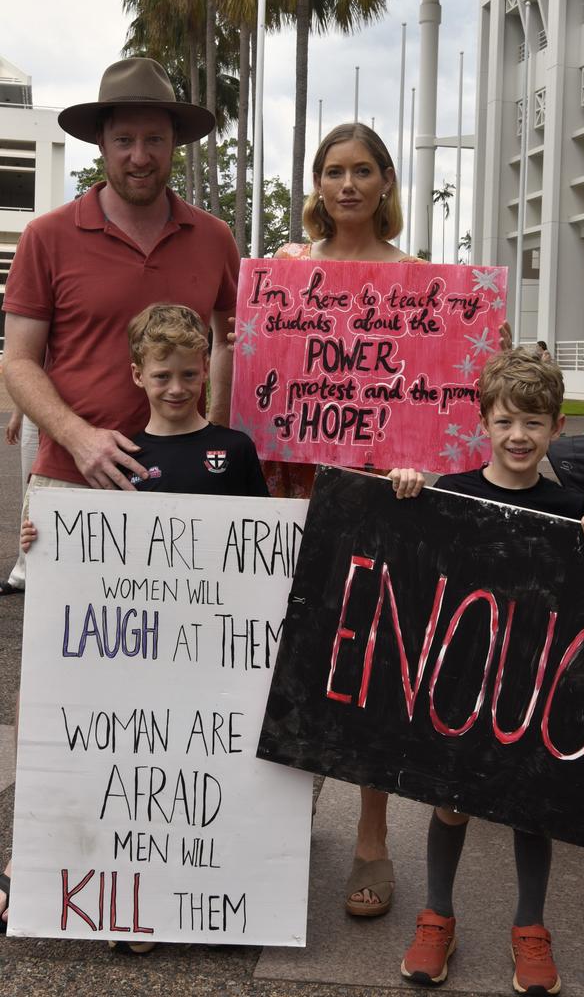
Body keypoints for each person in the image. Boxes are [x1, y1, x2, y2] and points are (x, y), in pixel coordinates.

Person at [0, 56, 240, 929]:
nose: (141, 152)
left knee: (172, 682)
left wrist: (219, 446)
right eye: (125, 136)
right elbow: (18, 361)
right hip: (74, 491)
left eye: (155, 136)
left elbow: (231, 346)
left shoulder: (214, 238)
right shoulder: (48, 236)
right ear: (101, 142)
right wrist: (73, 435)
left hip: (185, 501)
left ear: (176, 142)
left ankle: (167, 849)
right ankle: (44, 842)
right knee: (63, 680)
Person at [17, 303, 269, 951]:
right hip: (140, 658)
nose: (178, 388)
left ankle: (217, 890)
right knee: (143, 780)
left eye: (190, 374)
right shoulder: (120, 455)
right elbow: (97, 556)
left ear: (206, 373)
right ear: (137, 375)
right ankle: (139, 903)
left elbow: (262, 549)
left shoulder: (233, 451)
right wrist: (44, 541)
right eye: (163, 376)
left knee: (206, 776)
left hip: (213, 653)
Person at [400, 349, 584, 995]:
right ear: (484, 425)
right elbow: (414, 565)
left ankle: (530, 927)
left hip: (537, 687)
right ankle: (436, 915)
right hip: (464, 681)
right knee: (449, 803)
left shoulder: (574, 508)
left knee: (534, 808)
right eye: (505, 422)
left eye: (533, 423)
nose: (518, 436)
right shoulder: (452, 493)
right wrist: (406, 496)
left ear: (558, 428)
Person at [268, 122, 426, 917]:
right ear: (318, 184)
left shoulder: (422, 279)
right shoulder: (285, 272)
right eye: (334, 172)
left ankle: (371, 837)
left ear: (387, 180)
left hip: (386, 500)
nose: (349, 185)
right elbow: (261, 387)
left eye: (364, 170)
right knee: (294, 663)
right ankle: (279, 823)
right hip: (298, 493)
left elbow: (445, 402)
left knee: (369, 671)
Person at [1, 406, 38, 595]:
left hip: (82, 405)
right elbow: (28, 375)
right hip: (35, 411)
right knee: (31, 493)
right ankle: (22, 573)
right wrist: (18, 415)